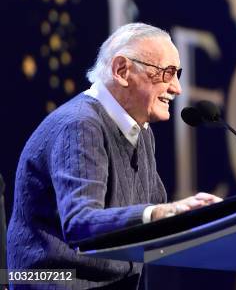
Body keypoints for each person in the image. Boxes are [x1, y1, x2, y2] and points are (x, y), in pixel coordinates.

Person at [7, 23, 221, 288]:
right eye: (166, 73)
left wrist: (212, 221)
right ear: (122, 70)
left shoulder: (140, 132)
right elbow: (80, 223)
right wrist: (160, 214)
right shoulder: (80, 125)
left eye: (177, 74)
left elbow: (156, 216)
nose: (177, 88)